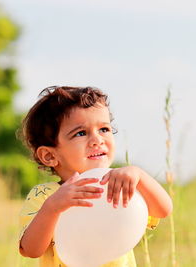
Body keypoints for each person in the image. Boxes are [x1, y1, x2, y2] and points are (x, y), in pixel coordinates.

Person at [18, 86, 173, 266]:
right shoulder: (46, 195)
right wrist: (52, 207)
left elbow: (163, 210)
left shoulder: (118, 185)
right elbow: (30, 250)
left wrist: (139, 174)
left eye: (104, 129)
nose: (97, 140)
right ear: (50, 155)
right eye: (81, 133)